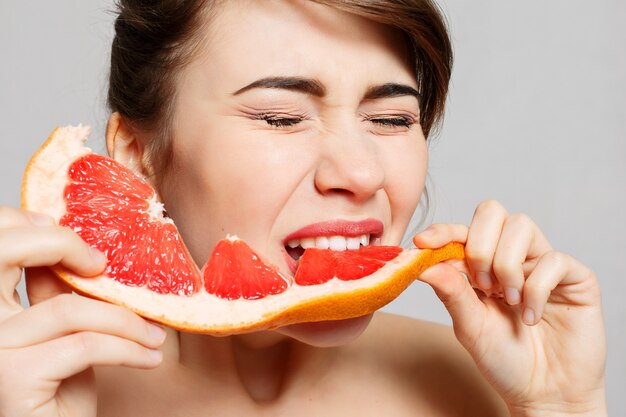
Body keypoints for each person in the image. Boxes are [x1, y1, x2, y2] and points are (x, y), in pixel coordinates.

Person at [0, 0, 608, 416]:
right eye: (282, 117)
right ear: (138, 155)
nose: (363, 173)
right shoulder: (35, 386)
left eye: (393, 119)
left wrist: (561, 406)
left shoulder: (482, 382)